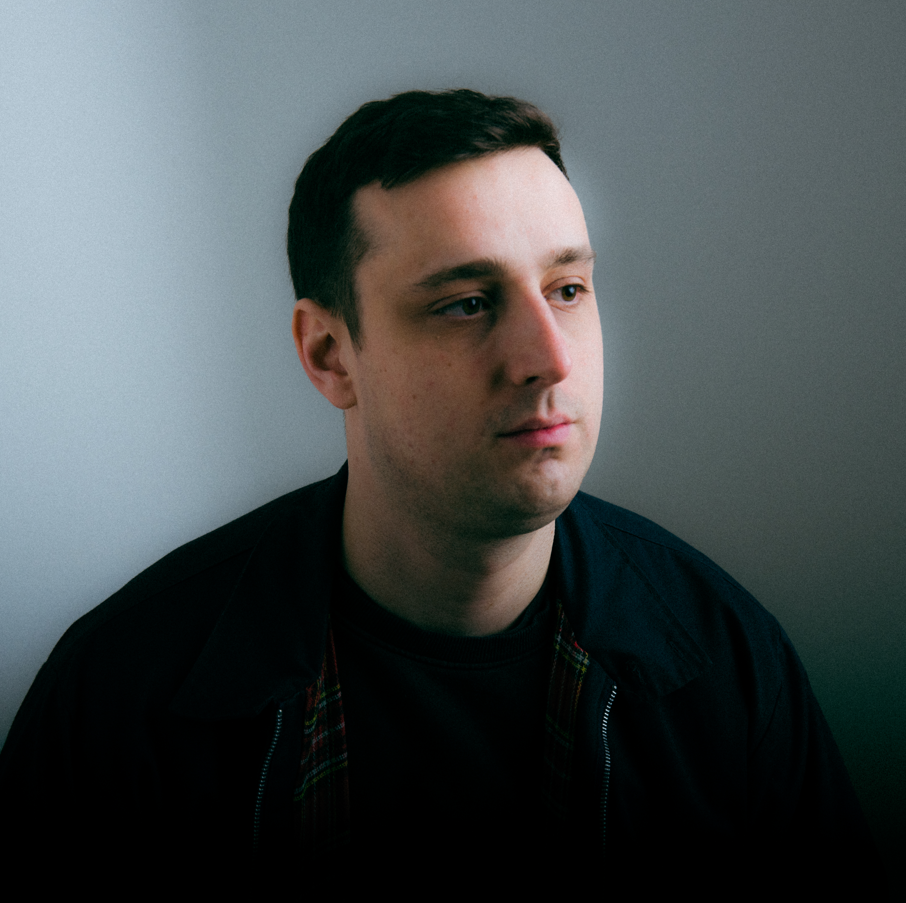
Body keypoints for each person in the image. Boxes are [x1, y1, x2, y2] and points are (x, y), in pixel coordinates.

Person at [0, 89, 885, 894]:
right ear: (328, 354)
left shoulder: (723, 661)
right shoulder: (126, 696)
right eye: (466, 302)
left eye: (568, 288)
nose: (549, 358)